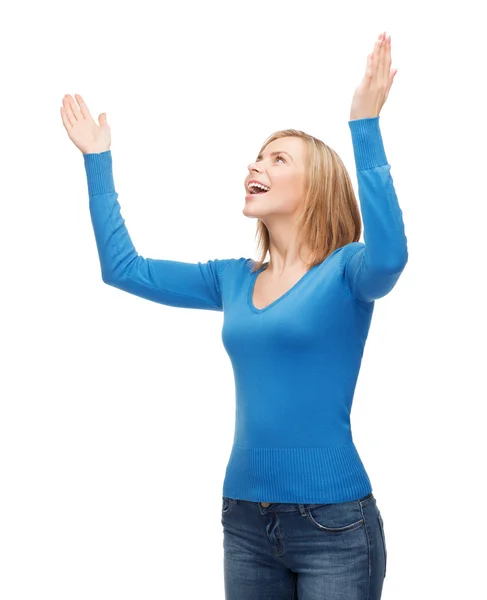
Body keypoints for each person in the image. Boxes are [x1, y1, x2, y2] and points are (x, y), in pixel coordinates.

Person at [61, 30, 406, 600]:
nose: (256, 164)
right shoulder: (233, 278)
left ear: (315, 183)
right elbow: (124, 269)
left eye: (278, 157)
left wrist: (364, 126)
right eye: (257, 155)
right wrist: (98, 161)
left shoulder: (347, 273)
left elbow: (392, 256)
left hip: (334, 526)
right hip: (245, 519)